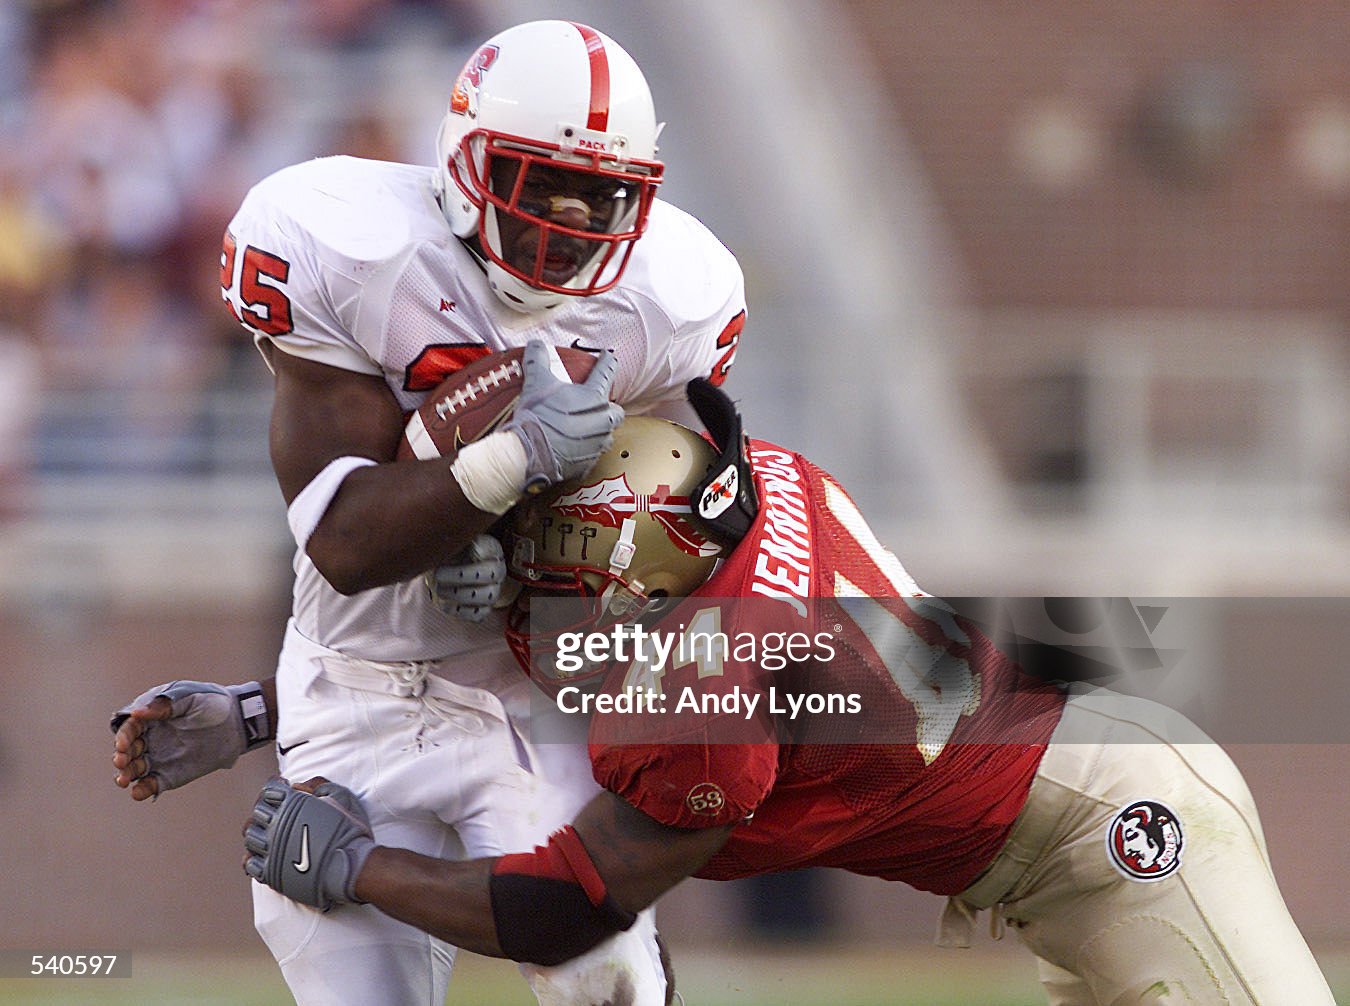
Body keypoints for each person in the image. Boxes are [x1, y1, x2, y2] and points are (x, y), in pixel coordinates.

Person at [240, 380, 1336, 1006]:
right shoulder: (755, 482)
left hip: (1115, 836)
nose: (521, 586)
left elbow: (566, 905)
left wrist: (357, 867)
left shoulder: (705, 686)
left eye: (542, 560)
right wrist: (262, 713)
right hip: (1073, 799)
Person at [111, 19, 745, 1006]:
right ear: (464, 157)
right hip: (353, 694)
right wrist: (509, 466)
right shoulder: (349, 248)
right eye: (541, 183)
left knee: (607, 981)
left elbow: (656, 550)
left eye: (602, 195)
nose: (572, 220)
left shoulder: (671, 299)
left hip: (527, 696)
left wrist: (529, 552)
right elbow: (348, 542)